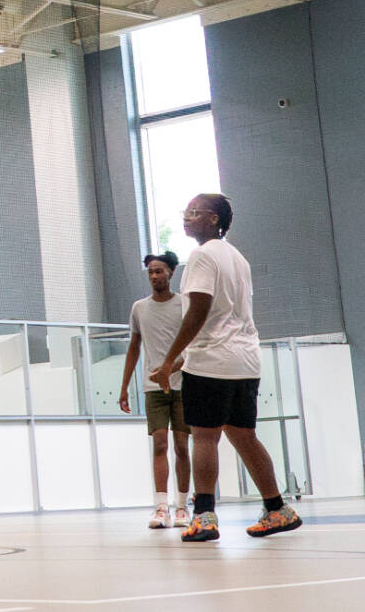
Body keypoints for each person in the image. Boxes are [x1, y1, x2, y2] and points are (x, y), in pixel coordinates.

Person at [151, 193, 300, 542]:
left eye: (194, 212)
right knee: (243, 436)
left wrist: (172, 357)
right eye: (185, 212)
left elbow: (200, 309)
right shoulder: (238, 258)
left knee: (205, 435)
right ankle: (278, 508)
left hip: (213, 360)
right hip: (245, 360)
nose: (187, 217)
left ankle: (203, 515)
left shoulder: (202, 255)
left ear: (214, 220)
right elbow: (227, 314)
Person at [118, 251, 191, 529]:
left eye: (159, 271)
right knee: (159, 443)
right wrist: (125, 387)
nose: (154, 276)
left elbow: (195, 345)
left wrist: (174, 367)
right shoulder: (139, 308)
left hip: (183, 385)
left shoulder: (184, 304)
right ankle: (161, 507)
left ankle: (182, 506)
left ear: (171, 273)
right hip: (152, 388)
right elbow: (134, 348)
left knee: (182, 446)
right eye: (150, 272)